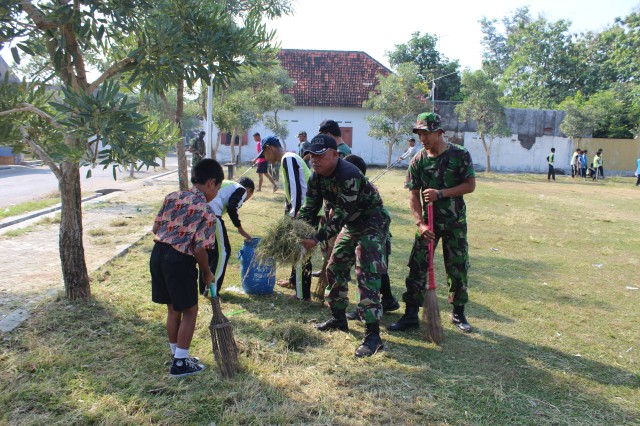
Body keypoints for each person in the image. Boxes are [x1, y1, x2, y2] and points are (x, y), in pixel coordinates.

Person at [298, 134, 390, 357]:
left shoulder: (349, 174)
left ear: (335, 155)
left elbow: (340, 215)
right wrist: (296, 230)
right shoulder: (316, 177)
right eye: (312, 155)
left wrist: (317, 238)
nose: (314, 160)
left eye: (320, 156)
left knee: (367, 271)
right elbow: (309, 209)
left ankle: (373, 335)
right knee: (335, 266)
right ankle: (339, 318)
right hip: (350, 223)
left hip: (371, 220)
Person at [387, 112, 476, 334]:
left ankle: (458, 312)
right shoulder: (417, 160)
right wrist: (420, 224)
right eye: (419, 134)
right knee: (417, 265)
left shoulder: (459, 155)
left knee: (457, 265)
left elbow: (470, 185)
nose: (422, 138)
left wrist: (441, 193)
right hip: (428, 224)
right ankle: (410, 315)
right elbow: (413, 195)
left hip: (455, 221)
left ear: (438, 132)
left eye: (426, 133)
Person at [150, 158, 223, 377]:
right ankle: (180, 365)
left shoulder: (172, 196)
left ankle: (177, 355)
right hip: (179, 260)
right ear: (211, 183)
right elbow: (200, 249)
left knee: (173, 308)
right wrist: (207, 273)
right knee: (190, 311)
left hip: (158, 255)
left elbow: (155, 227)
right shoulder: (207, 212)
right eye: (218, 188)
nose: (216, 193)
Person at [342, 154, 400, 321]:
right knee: (377, 266)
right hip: (373, 230)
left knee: (369, 268)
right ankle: (388, 300)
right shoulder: (355, 186)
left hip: (374, 231)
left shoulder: (360, 188)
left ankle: (367, 308)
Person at [258, 135, 314, 300]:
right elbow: (291, 190)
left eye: (264, 154)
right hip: (301, 209)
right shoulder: (288, 159)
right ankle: (293, 281)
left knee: (302, 252)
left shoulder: (288, 158)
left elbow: (297, 188)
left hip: (305, 211)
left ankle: (302, 294)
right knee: (296, 248)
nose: (265, 159)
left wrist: (295, 213)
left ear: (269, 148)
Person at [201, 177, 255, 295]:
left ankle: (204, 287)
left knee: (208, 251)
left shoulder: (228, 185)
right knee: (223, 252)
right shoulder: (241, 189)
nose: (246, 200)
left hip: (200, 212)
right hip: (212, 214)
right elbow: (232, 207)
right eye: (249, 196)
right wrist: (240, 229)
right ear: (249, 189)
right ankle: (212, 290)